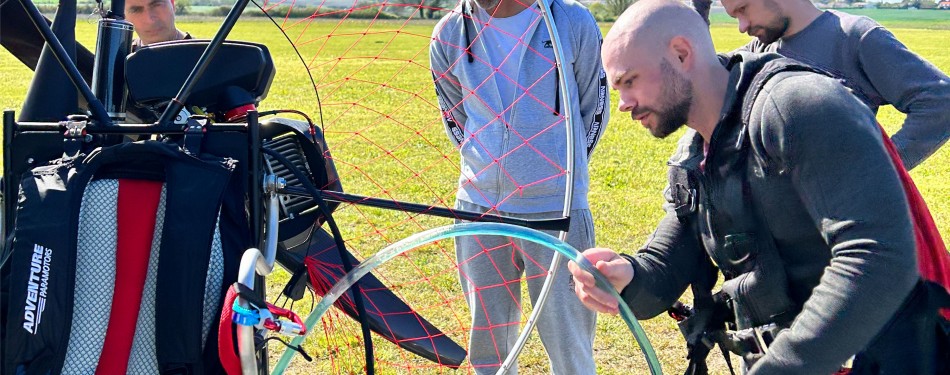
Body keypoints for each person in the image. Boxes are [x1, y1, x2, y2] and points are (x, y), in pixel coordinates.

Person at [568, 0, 943, 373]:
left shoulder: (798, 106)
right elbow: (670, 262)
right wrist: (627, 277)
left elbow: (879, 259)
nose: (623, 104)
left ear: (682, 54)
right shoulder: (696, 152)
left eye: (629, 81)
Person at [429, 0, 608, 372]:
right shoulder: (448, 34)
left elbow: (594, 107)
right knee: (489, 349)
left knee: (569, 346)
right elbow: (455, 116)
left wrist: (560, 168)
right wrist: (487, 164)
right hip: (478, 210)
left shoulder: (570, 21)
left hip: (557, 210)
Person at [720, 0, 950, 171]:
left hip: (842, 220)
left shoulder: (854, 37)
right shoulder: (758, 50)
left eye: (743, 8)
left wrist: (884, 167)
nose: (742, 26)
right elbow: (705, 67)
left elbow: (940, 101)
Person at [125, 0, 190, 49]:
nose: (149, 20)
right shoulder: (120, 61)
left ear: (172, 3)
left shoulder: (198, 55)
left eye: (157, 5)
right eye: (136, 10)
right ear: (125, 17)